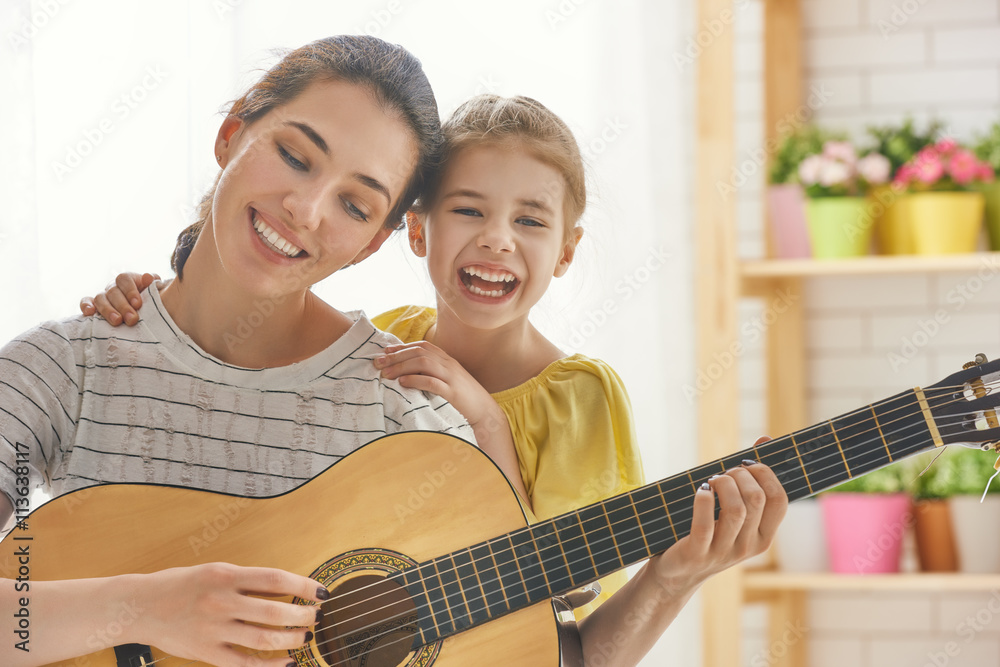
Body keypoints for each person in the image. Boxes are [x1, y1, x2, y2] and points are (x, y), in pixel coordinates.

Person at [81, 93, 789, 666]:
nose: (497, 238)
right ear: (417, 231)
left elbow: (560, 602)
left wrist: (485, 422)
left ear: (566, 251)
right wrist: (151, 300)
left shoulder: (581, 397)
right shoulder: (384, 335)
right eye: (469, 209)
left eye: (530, 219)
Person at [0, 35, 511, 667]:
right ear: (231, 134)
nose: (305, 209)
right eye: (295, 156)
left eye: (354, 204)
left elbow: (511, 642)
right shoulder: (63, 370)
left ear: (373, 243)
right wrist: (147, 608)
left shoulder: (402, 408)